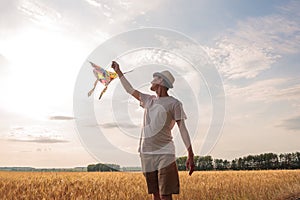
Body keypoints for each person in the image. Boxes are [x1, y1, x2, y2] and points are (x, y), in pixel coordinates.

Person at [111, 61, 195, 200]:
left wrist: (190, 154)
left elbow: (183, 129)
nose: (151, 80)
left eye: (155, 78)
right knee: (155, 194)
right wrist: (119, 72)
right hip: (146, 153)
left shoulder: (175, 104)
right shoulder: (148, 100)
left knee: (165, 195)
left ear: (161, 81)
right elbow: (129, 89)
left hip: (165, 153)